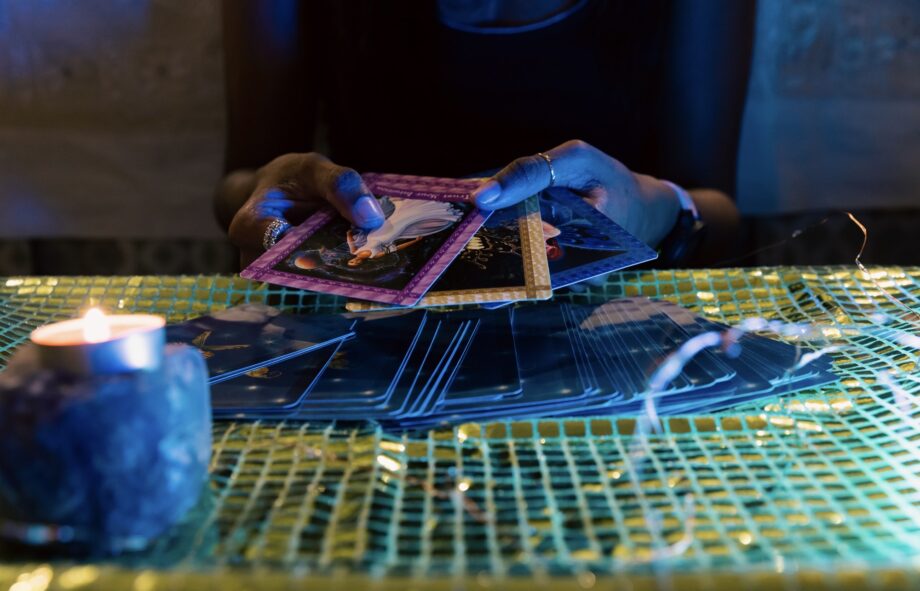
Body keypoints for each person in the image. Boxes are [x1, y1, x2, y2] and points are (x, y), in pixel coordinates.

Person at [215, 1, 755, 269]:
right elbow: (240, 187)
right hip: (370, 325)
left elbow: (721, 214)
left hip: (615, 333)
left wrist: (652, 207)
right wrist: (271, 199)